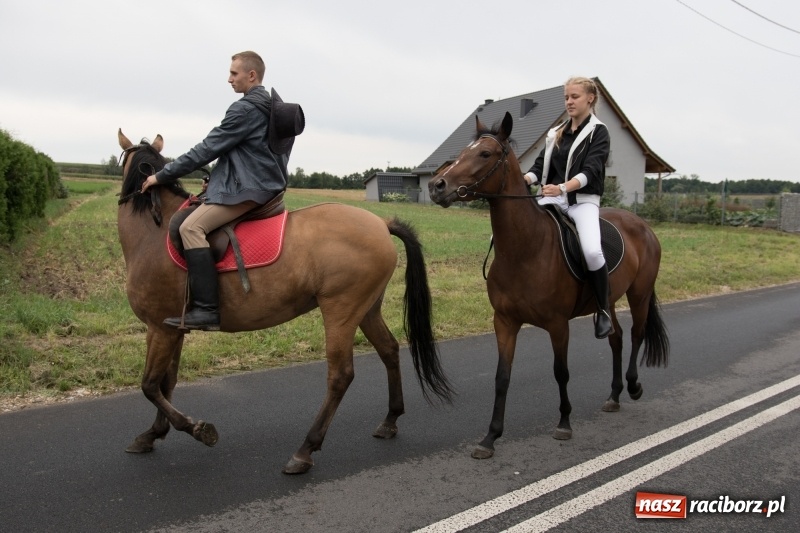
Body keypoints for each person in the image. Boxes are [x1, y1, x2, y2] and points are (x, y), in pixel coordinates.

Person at [141, 50, 304, 331]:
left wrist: (162, 175)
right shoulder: (271, 108)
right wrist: (217, 181)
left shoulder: (245, 109)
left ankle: (207, 309)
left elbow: (207, 149)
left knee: (190, 228)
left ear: (251, 75)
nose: (229, 79)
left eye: (234, 73)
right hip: (267, 187)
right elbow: (248, 156)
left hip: (249, 192)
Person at [523, 76, 613, 339]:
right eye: (566, 97)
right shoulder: (556, 132)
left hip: (582, 201)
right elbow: (539, 167)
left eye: (575, 96)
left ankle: (603, 310)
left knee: (592, 251)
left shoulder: (599, 132)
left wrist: (562, 187)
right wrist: (524, 179)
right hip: (551, 197)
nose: (569, 102)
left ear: (590, 98)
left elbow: (590, 171)